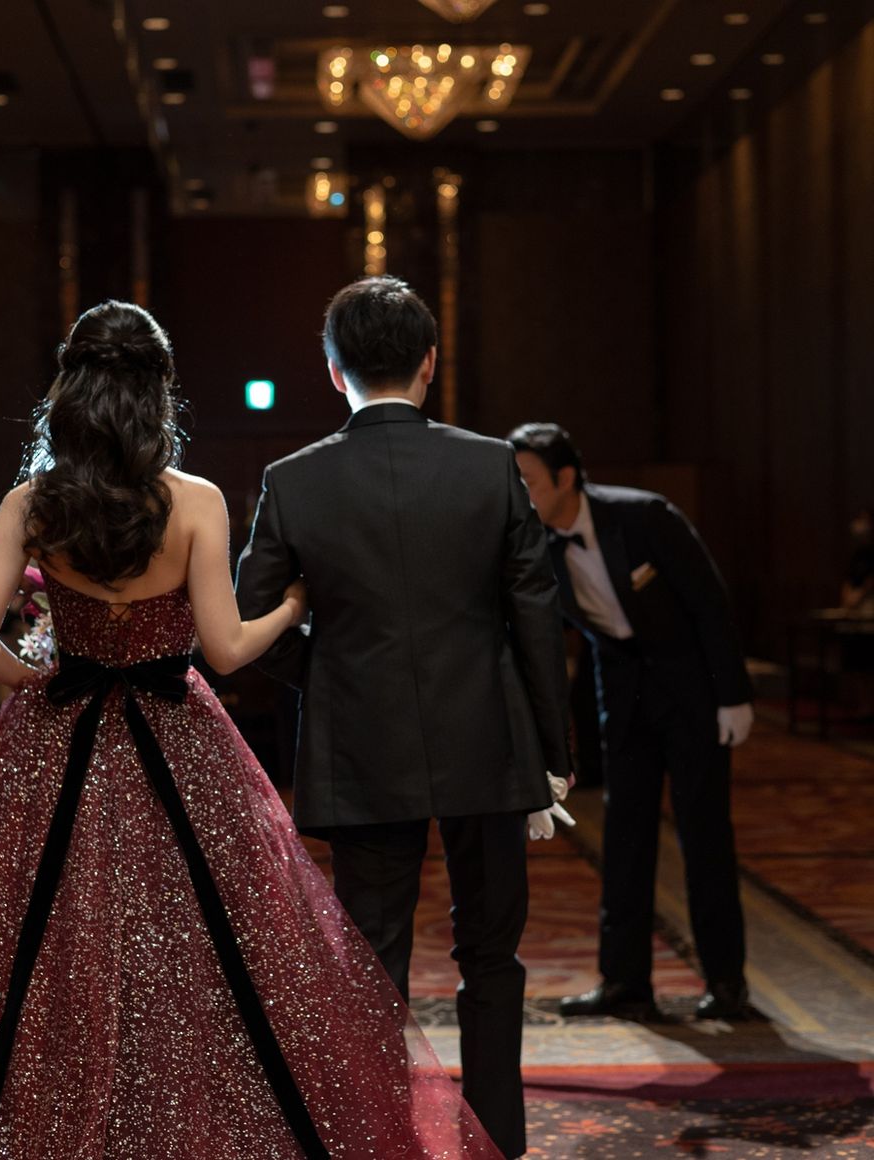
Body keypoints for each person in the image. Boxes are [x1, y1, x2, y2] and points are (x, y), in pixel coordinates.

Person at [0, 301, 501, 1159]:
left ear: (71, 391)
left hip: (58, 740)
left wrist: (44, 683)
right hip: (178, 739)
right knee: (208, 945)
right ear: (159, 393)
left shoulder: (31, 505)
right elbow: (226, 651)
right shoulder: (195, 501)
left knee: (26, 944)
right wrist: (290, 609)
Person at [236, 276, 574, 1160]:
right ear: (430, 361)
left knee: (372, 964)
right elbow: (535, 612)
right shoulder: (491, 464)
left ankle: (378, 1143)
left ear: (333, 370)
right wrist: (553, 749)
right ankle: (498, 1140)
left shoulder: (293, 479)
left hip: (361, 743)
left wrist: (328, 675)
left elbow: (249, 617)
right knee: (492, 955)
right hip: (488, 738)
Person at [507, 422, 754, 1021]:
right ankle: (624, 982)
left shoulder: (646, 516)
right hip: (623, 697)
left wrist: (732, 696)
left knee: (704, 837)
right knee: (624, 838)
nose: (520, 493)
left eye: (528, 481)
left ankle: (726, 983)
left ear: (566, 478)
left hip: (693, 693)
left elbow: (709, 603)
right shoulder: (532, 542)